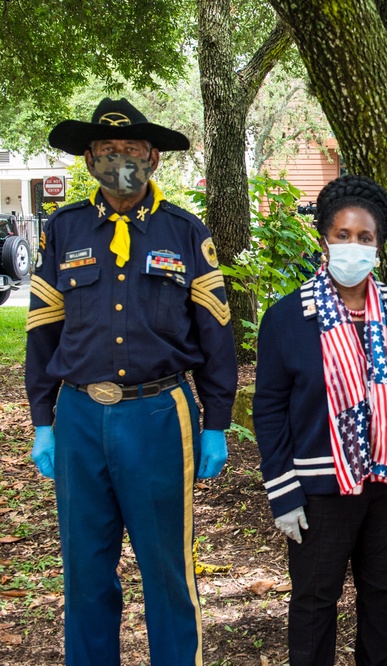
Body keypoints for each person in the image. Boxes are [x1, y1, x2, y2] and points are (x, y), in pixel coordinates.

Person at [26, 98, 238, 664]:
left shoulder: (187, 233)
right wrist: (42, 422)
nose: (121, 160)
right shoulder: (64, 230)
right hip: (78, 420)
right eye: (108, 150)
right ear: (90, 159)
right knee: (86, 572)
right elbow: (43, 333)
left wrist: (217, 423)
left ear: (155, 158)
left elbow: (217, 338)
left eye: (134, 151)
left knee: (167, 571)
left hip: (159, 418)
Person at [253, 174, 387, 666]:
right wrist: (283, 493)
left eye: (365, 238)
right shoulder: (288, 318)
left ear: (378, 247)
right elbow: (269, 412)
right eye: (343, 236)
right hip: (320, 488)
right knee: (315, 600)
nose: (353, 247)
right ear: (324, 239)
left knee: (383, 592)